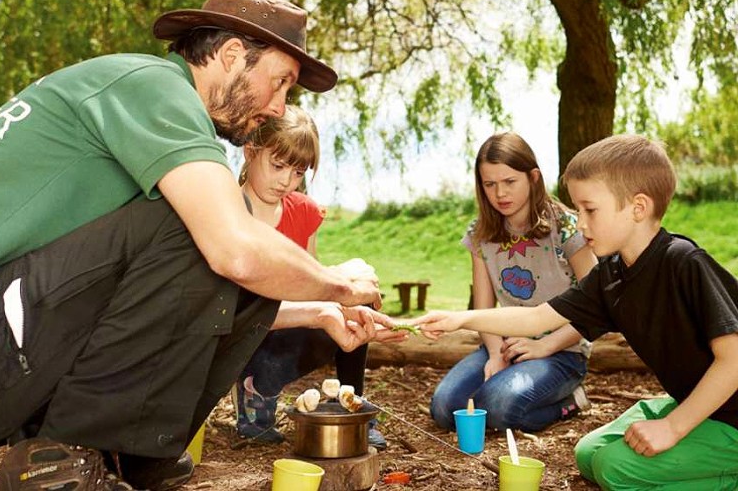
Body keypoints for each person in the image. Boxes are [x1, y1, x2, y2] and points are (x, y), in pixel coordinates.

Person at [0, 0, 398, 491]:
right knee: (208, 225)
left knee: (242, 260)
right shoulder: (154, 87)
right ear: (230, 57)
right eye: (280, 82)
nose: (279, 106)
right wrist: (337, 285)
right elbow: (235, 248)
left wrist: (319, 310)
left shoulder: (140, 91)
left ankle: (127, 451)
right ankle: (57, 465)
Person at [416, 134, 738, 490]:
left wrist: (673, 427)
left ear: (638, 207)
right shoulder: (611, 276)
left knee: (615, 469)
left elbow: (734, 359)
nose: (580, 224)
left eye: (590, 210)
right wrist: (459, 319)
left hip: (731, 419)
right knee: (588, 455)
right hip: (696, 403)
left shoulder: (683, 262)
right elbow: (536, 318)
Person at [232, 105, 389, 449]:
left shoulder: (302, 210)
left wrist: (351, 295)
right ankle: (254, 390)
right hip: (242, 336)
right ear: (250, 150)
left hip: (289, 323)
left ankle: (352, 404)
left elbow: (313, 286)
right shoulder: (228, 211)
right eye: (278, 165)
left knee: (354, 298)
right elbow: (235, 308)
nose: (287, 180)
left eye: (298, 170)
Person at [430, 132, 597, 433]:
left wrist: (545, 345)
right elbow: (483, 307)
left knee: (497, 407)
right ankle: (503, 387)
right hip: (504, 344)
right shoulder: (481, 234)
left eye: (509, 182)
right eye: (489, 184)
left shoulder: (568, 228)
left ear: (533, 177)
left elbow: (596, 305)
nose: (500, 194)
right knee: (445, 408)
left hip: (562, 351)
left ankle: (570, 400)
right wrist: (495, 354)